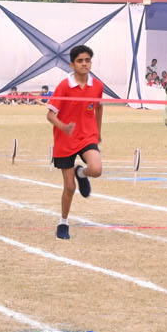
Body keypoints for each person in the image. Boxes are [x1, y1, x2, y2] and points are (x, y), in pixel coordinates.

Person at [47, 44, 104, 241]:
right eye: (80, 61)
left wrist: (98, 132)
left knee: (96, 169)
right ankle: (63, 223)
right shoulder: (64, 86)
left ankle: (82, 172)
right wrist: (63, 127)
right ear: (72, 64)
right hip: (65, 139)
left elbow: (98, 107)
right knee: (70, 187)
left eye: (87, 60)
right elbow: (50, 115)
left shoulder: (97, 86)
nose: (84, 64)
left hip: (87, 135)